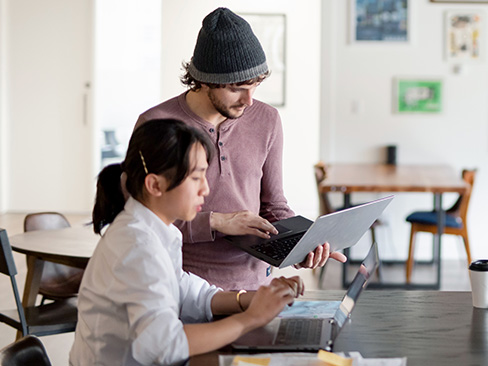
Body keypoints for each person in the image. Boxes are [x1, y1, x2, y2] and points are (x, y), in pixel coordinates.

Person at [135, 7, 346, 291]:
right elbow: (140, 219)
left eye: (256, 85)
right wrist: (216, 222)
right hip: (179, 286)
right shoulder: (156, 124)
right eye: (237, 88)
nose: (249, 101)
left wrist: (300, 246)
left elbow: (274, 205)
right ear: (205, 79)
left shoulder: (267, 119)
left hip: (255, 287)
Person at [69, 119, 304, 366]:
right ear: (155, 185)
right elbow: (164, 345)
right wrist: (251, 319)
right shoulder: (137, 246)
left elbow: (187, 292)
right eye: (196, 177)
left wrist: (253, 299)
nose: (205, 189)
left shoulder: (156, 231)